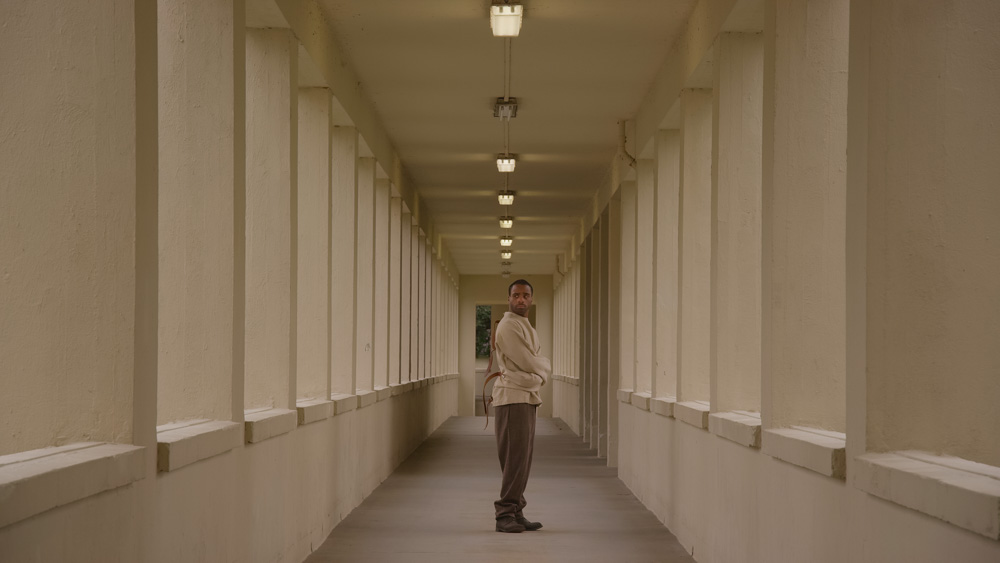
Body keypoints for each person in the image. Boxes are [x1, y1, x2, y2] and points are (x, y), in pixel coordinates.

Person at [491, 279, 551, 533]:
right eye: (516, 295)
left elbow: (528, 367)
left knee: (523, 460)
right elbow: (528, 361)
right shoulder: (507, 326)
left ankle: (517, 510)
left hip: (525, 398)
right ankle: (504, 513)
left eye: (525, 295)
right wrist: (543, 369)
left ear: (531, 299)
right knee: (515, 459)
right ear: (509, 298)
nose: (521, 300)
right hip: (512, 399)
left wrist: (533, 375)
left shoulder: (527, 326)